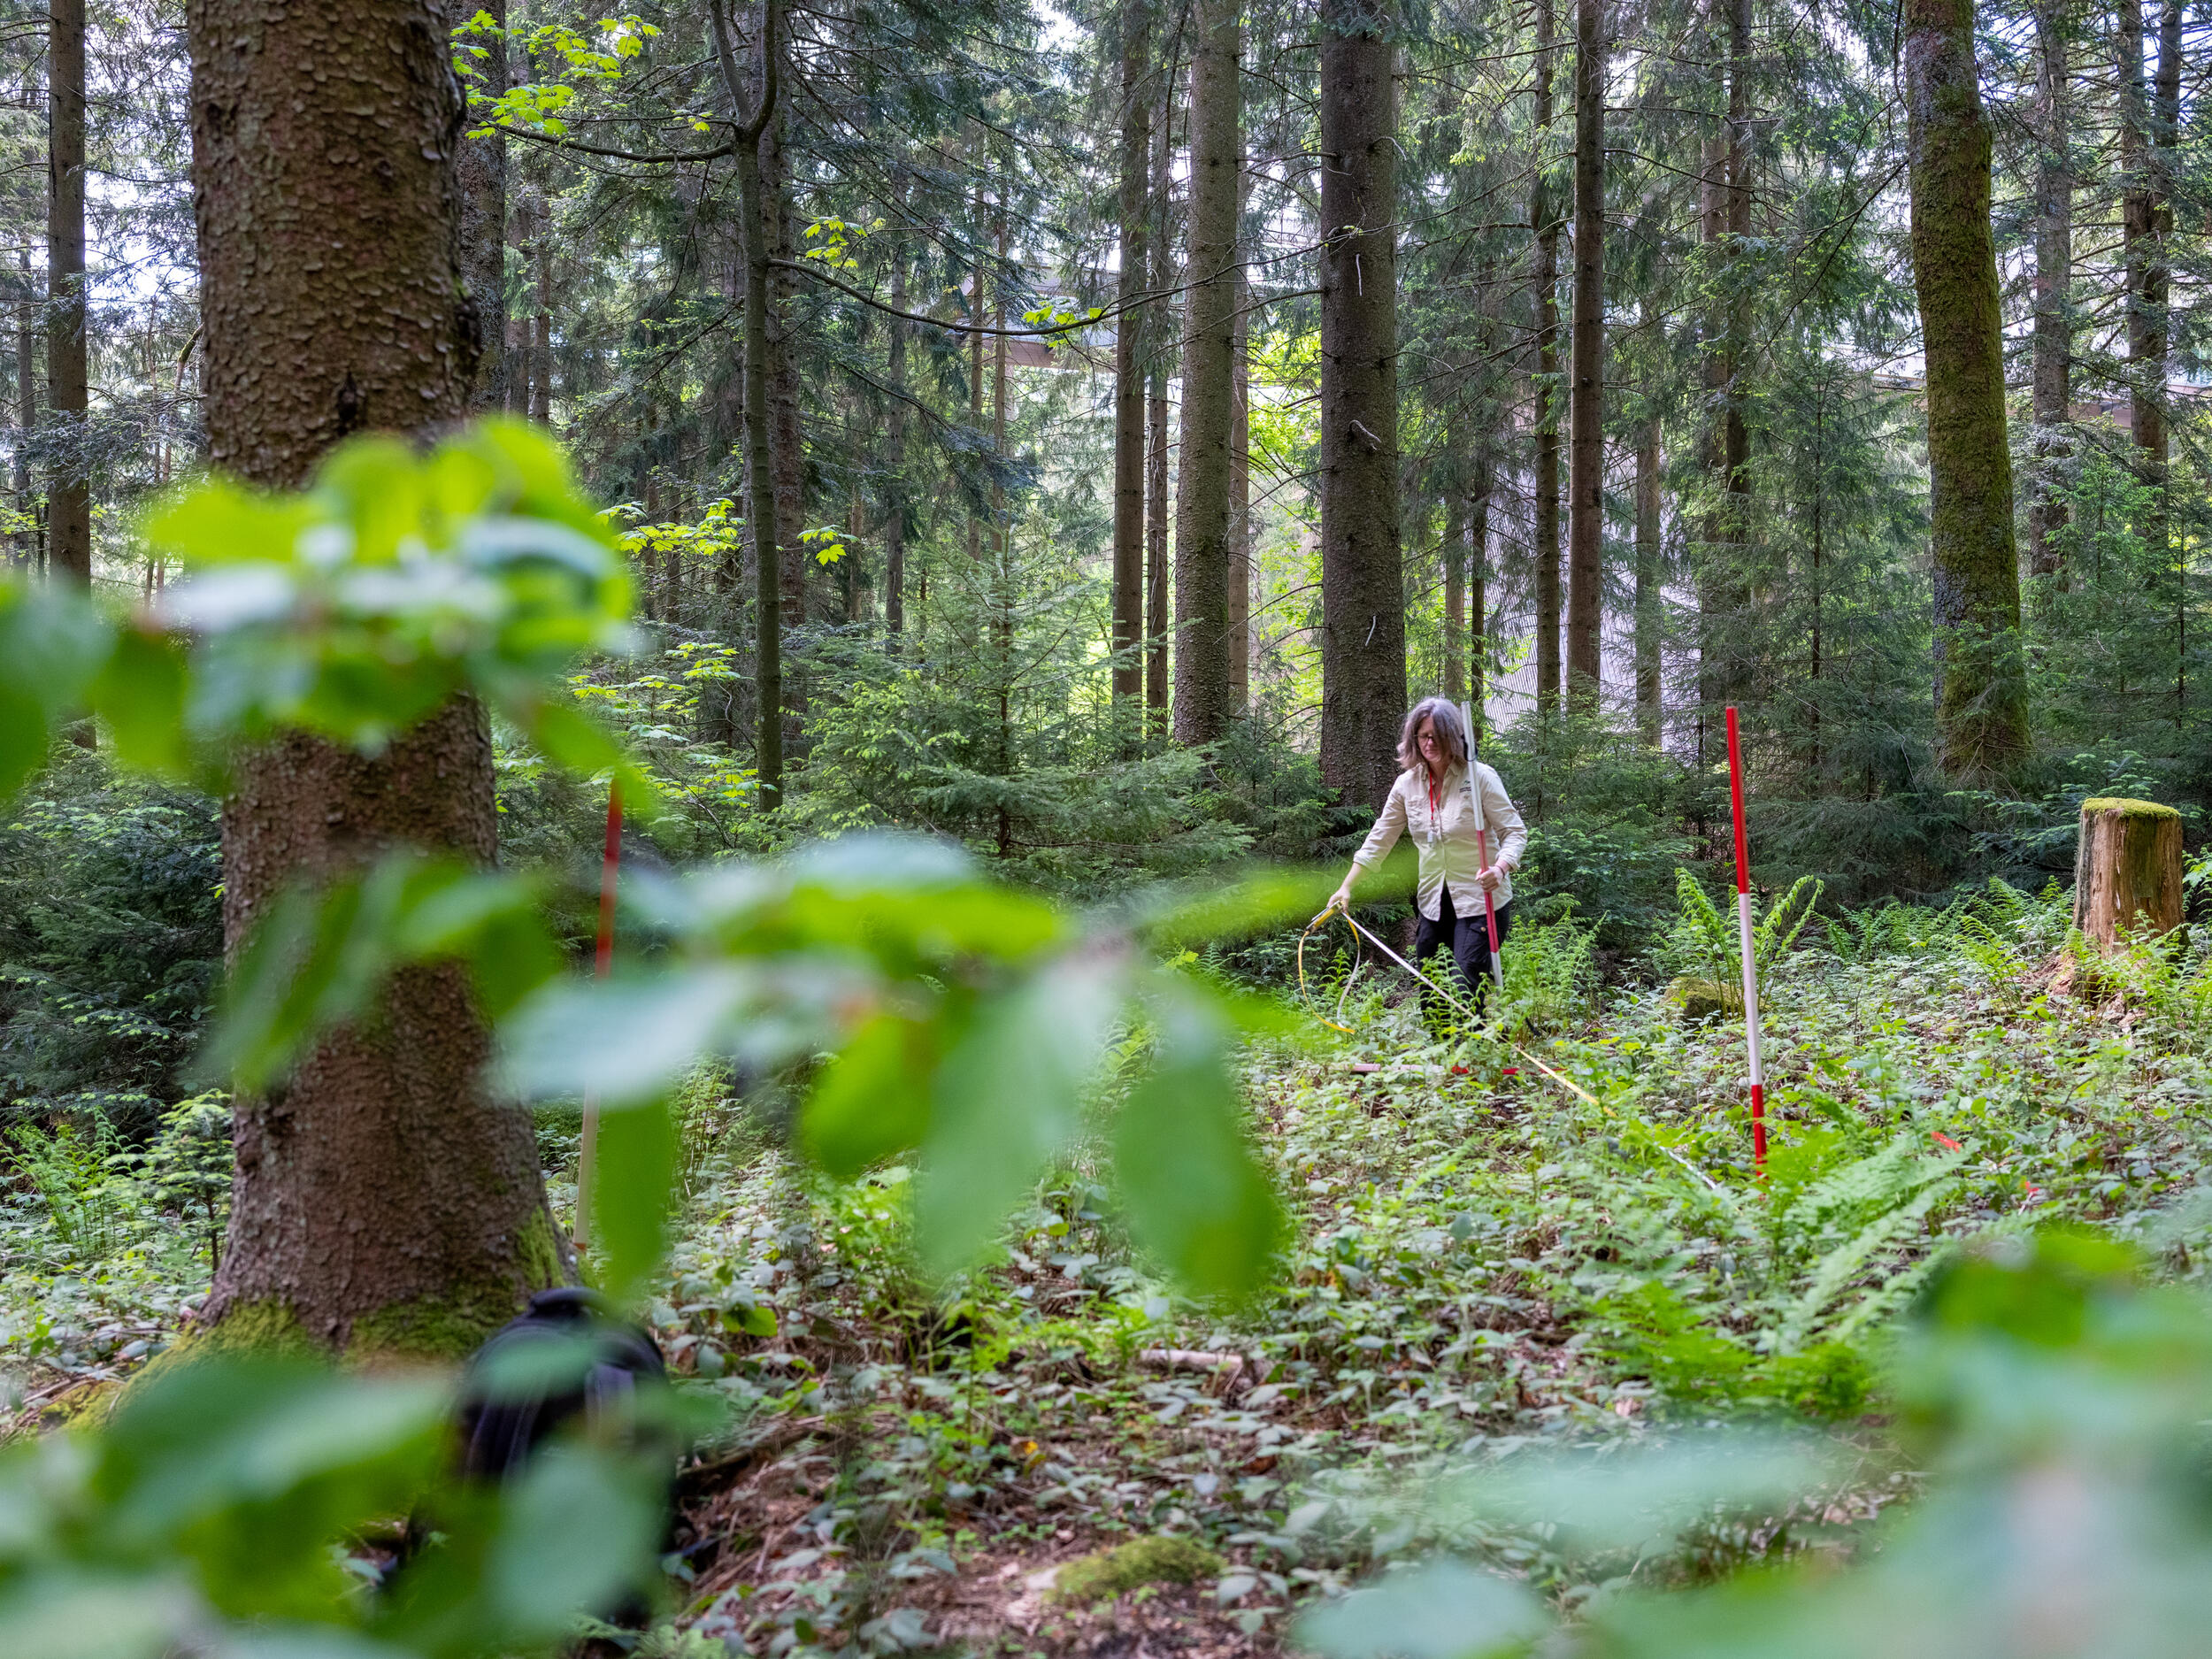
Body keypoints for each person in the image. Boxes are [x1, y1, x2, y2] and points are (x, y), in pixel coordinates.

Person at [1328, 697, 1527, 1029]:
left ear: (1453, 736)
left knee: (1465, 986)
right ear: (1413, 739)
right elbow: (1381, 837)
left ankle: (1471, 1063)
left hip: (1481, 900)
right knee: (1430, 985)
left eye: (1436, 735)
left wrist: (1501, 868)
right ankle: (1441, 1060)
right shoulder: (1407, 785)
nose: (1429, 743)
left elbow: (1515, 832)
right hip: (1434, 902)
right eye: (1422, 736)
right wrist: (1346, 886)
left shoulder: (1479, 777)